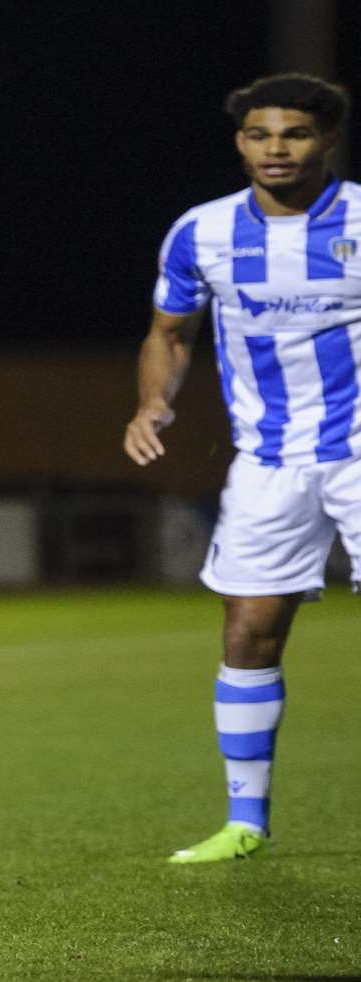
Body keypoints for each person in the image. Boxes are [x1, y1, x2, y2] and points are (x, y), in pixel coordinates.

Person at [124, 73, 361, 864]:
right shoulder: (203, 231)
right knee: (249, 632)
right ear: (240, 143)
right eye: (260, 135)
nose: (276, 149)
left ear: (327, 138)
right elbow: (170, 331)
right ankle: (245, 823)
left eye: (294, 134)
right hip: (269, 463)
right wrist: (153, 403)